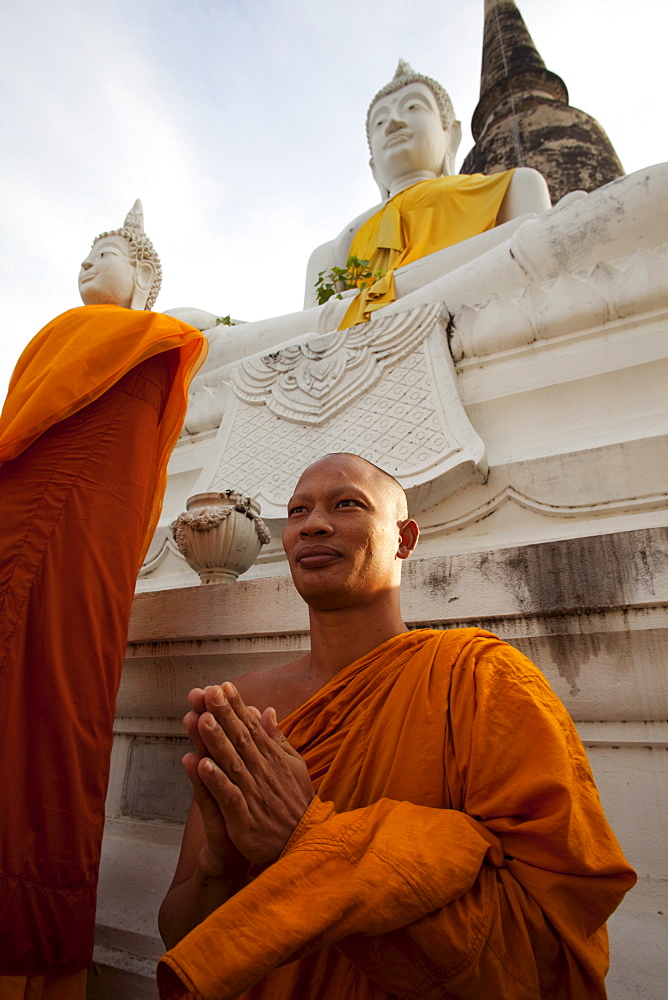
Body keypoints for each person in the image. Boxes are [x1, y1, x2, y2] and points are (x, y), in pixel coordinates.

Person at [157, 452, 635, 1000]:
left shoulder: (478, 680)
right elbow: (180, 932)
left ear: (404, 538)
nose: (313, 523)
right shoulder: (247, 707)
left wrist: (308, 839)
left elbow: (547, 929)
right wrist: (220, 864)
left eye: (346, 504)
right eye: (296, 511)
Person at [0, 202, 207, 998]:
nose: (91, 261)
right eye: (86, 250)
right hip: (17, 515)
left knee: (55, 710)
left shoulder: (160, 340)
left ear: (145, 279)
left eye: (111, 251)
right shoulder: (52, 337)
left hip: (72, 547)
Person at [303, 60, 551, 328]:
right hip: (354, 344)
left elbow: (544, 271)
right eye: (380, 121)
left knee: (547, 238)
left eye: (412, 107)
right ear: (374, 165)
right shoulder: (339, 246)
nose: (394, 124)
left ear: (451, 137)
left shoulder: (514, 187)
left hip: (489, 323)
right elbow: (310, 333)